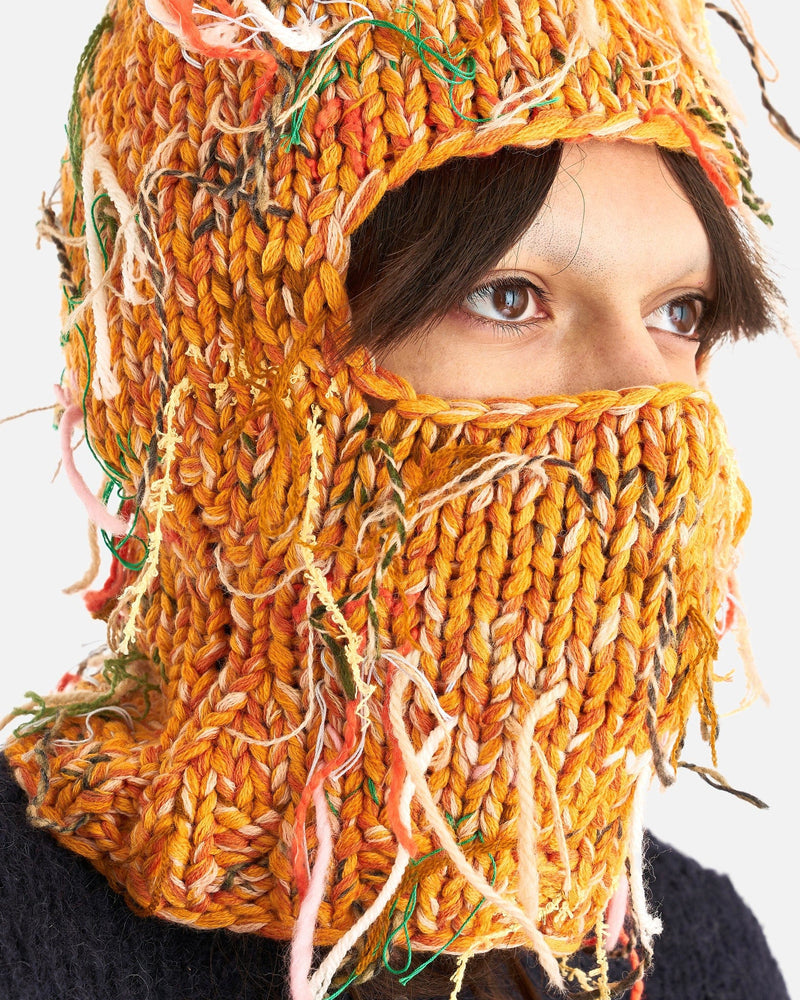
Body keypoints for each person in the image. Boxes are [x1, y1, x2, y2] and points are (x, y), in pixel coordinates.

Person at [0, 1, 795, 998]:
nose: (650, 395)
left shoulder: (694, 952)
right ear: (226, 374)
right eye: (508, 296)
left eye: (679, 312)